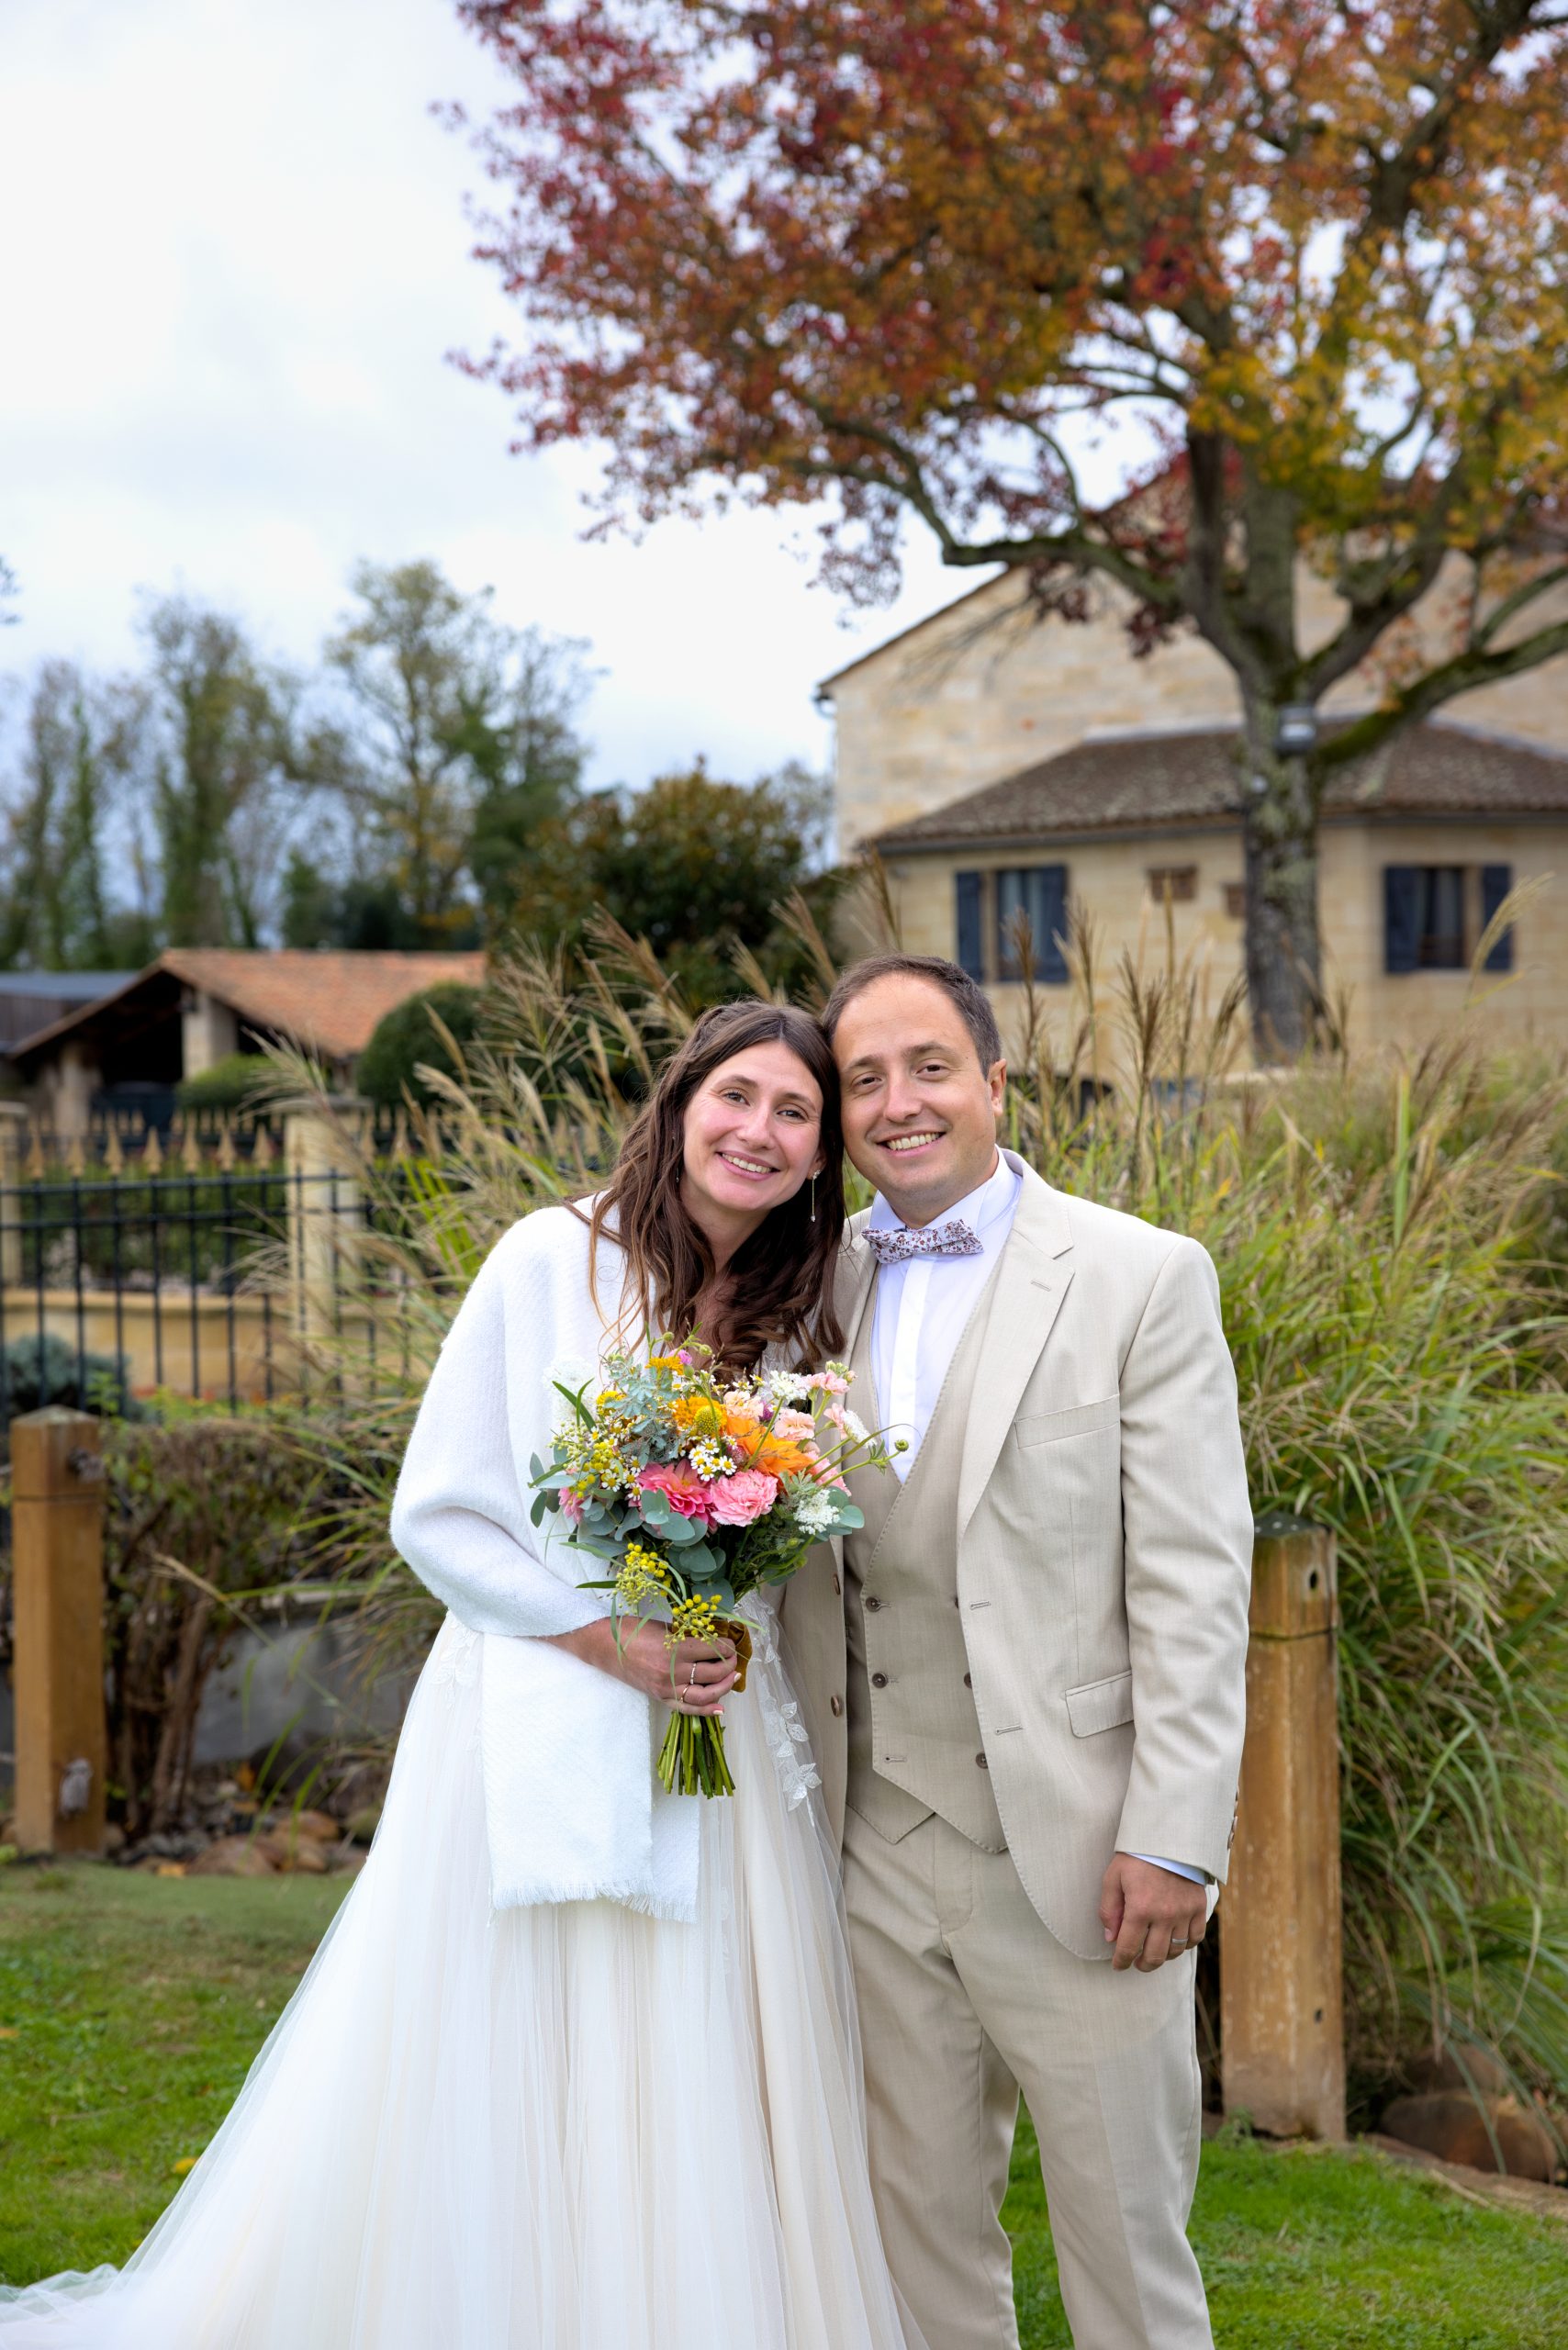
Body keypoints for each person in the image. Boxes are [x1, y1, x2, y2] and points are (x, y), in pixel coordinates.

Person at [0, 1001, 923, 2350]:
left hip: (718, 1733)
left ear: (818, 1153)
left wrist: (723, 1607)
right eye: (738, 1097)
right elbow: (436, 1512)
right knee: (520, 2035)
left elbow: (784, 1518)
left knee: (702, 2040)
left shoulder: (800, 1311)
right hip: (544, 1703)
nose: (760, 1131)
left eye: (795, 1113)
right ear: (681, 1108)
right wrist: (612, 1640)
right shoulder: (553, 1257)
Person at [781, 953, 1253, 2350]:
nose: (898, 1102)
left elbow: (1192, 1577)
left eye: (929, 1067)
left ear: (995, 1083)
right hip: (868, 1847)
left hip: (1082, 1847)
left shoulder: (1139, 1275)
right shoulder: (802, 1286)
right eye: (863, 1079)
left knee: (1126, 2256)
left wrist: (1178, 1836)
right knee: (913, 2249)